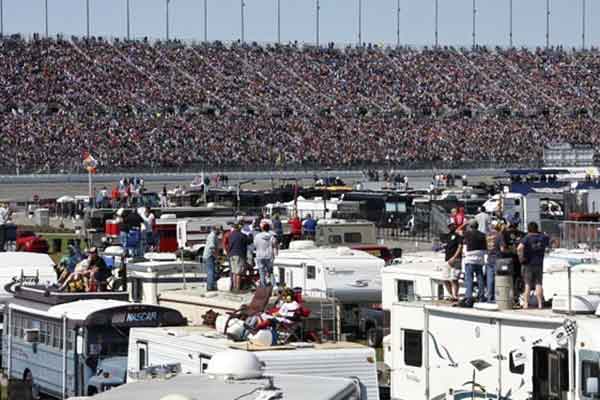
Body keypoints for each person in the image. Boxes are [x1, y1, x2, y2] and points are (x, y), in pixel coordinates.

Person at [517, 222, 550, 309]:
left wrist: (521, 257)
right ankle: (540, 304)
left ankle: (526, 304)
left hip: (528, 263)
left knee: (527, 284)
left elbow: (519, 248)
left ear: (528, 229)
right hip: (539, 263)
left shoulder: (527, 238)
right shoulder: (542, 237)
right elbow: (549, 240)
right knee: (538, 284)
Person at [462, 220, 487, 306]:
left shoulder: (467, 233)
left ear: (470, 226)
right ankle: (481, 296)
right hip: (479, 259)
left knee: (469, 279)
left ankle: (469, 297)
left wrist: (464, 224)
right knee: (480, 279)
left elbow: (458, 231)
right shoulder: (482, 235)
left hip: (470, 259)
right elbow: (485, 248)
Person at [254, 222, 278, 288]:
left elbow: (255, 245)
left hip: (259, 255)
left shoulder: (257, 236)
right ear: (269, 229)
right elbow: (275, 244)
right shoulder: (271, 236)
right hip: (269, 255)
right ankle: (274, 285)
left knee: (261, 272)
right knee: (270, 272)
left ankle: (263, 286)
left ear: (262, 228)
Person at [485, 221, 503, 303]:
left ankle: (489, 297)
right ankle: (497, 297)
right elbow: (502, 249)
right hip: (497, 259)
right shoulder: (499, 235)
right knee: (498, 279)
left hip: (489, 258)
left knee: (490, 279)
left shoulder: (487, 235)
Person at [443, 223, 462, 301]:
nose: (451, 227)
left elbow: (460, 247)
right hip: (447, 259)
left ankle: (455, 295)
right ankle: (451, 295)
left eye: (453, 226)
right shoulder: (447, 236)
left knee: (454, 279)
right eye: (450, 226)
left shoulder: (458, 236)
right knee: (445, 279)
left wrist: (454, 257)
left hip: (456, 259)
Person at [227, 223, 248, 292]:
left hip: (231, 255)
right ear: (239, 228)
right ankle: (238, 288)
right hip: (239, 255)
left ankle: (233, 287)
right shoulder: (242, 235)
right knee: (238, 272)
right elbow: (248, 241)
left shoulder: (230, 235)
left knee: (233, 272)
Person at [203, 225, 221, 291]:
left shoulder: (214, 236)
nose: (220, 231)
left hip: (210, 256)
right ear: (215, 229)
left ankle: (212, 285)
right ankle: (210, 287)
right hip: (209, 256)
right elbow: (212, 248)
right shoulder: (212, 236)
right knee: (211, 271)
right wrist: (217, 257)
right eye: (219, 230)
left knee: (212, 271)